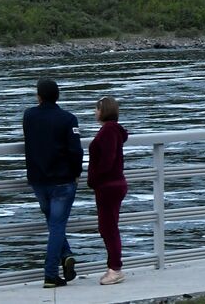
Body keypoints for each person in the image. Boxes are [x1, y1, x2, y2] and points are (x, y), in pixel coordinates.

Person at [22, 78, 82, 288]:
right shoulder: (68, 119)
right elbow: (76, 150)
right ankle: (50, 274)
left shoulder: (29, 116)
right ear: (58, 96)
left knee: (53, 223)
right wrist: (77, 172)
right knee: (57, 225)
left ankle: (66, 255)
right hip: (63, 181)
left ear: (38, 96)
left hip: (38, 180)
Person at [88, 96, 129, 286]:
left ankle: (115, 268)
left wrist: (94, 179)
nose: (94, 112)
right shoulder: (113, 130)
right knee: (108, 226)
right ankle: (113, 266)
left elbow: (107, 160)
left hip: (108, 186)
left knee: (108, 228)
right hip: (114, 184)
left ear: (104, 111)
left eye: (97, 109)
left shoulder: (108, 131)